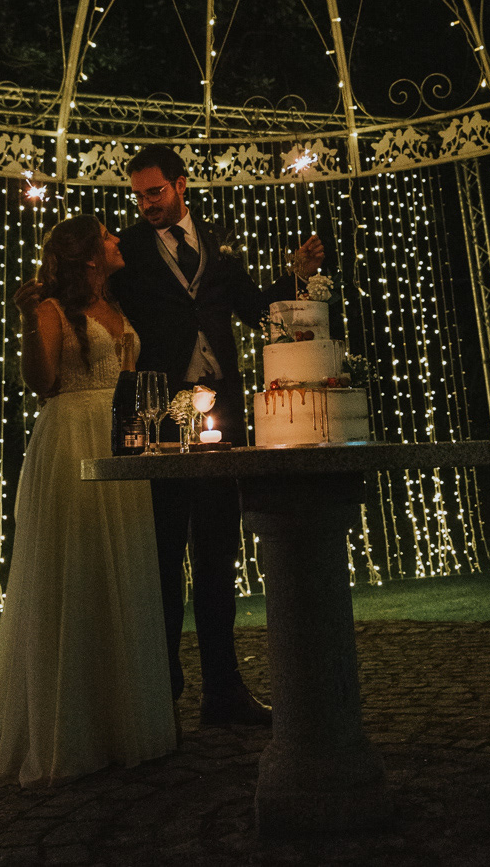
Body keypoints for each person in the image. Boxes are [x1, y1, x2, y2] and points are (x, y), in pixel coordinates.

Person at [108, 144, 324, 726]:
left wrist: (296, 277)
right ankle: (162, 692)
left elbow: (254, 310)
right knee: (161, 554)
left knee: (217, 551)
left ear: (182, 184)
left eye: (155, 191)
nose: (146, 203)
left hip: (222, 413)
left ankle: (223, 689)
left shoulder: (217, 241)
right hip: (159, 415)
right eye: (138, 195)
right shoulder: (127, 250)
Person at [0, 215, 175, 787]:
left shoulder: (117, 304)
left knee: (121, 571)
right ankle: (68, 730)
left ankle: (120, 721)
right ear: (88, 255)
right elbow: (42, 382)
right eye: (106, 236)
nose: (117, 240)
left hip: (119, 438)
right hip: (71, 436)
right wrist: (28, 323)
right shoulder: (53, 310)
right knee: (74, 569)